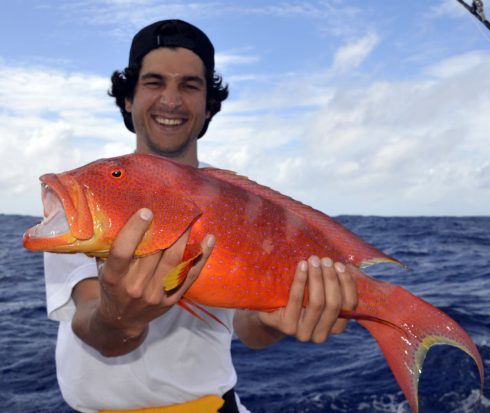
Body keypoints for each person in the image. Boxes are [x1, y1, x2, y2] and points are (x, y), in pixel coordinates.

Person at [44, 19, 358, 413]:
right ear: (128, 98)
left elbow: (250, 331)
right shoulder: (97, 192)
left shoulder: (238, 202)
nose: (171, 100)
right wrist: (118, 317)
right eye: (154, 82)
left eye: (190, 86)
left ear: (209, 104)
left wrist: (277, 319)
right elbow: (97, 327)